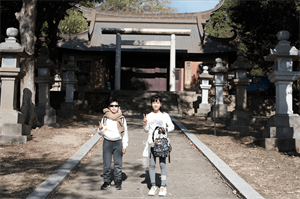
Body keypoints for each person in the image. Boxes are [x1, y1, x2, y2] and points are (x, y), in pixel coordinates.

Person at [143, 95, 174, 196]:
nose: (155, 104)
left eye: (157, 102)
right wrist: (144, 124)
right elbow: (146, 130)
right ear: (151, 104)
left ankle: (162, 186)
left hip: (162, 143)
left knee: (162, 164)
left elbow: (172, 126)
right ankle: (153, 186)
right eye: (153, 102)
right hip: (151, 143)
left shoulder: (165, 115)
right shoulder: (148, 115)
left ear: (160, 104)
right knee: (151, 165)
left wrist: (166, 129)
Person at [97, 99, 128, 190]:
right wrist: (100, 129)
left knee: (118, 163)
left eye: (116, 106)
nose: (114, 108)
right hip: (107, 142)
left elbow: (125, 133)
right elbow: (101, 133)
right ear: (109, 108)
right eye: (112, 106)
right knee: (107, 163)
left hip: (118, 143)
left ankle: (118, 181)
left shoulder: (122, 118)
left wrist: (124, 145)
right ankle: (106, 181)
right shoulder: (105, 118)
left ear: (119, 108)